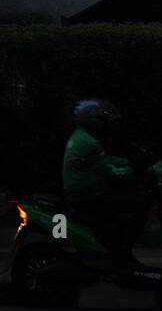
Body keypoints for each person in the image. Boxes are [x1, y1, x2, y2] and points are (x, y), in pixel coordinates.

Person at [62, 98, 152, 269]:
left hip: (84, 192)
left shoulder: (81, 136)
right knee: (140, 204)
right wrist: (136, 168)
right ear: (93, 120)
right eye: (104, 121)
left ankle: (116, 251)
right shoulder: (89, 142)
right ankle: (123, 252)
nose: (107, 125)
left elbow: (105, 161)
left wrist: (128, 162)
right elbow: (113, 174)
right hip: (86, 196)